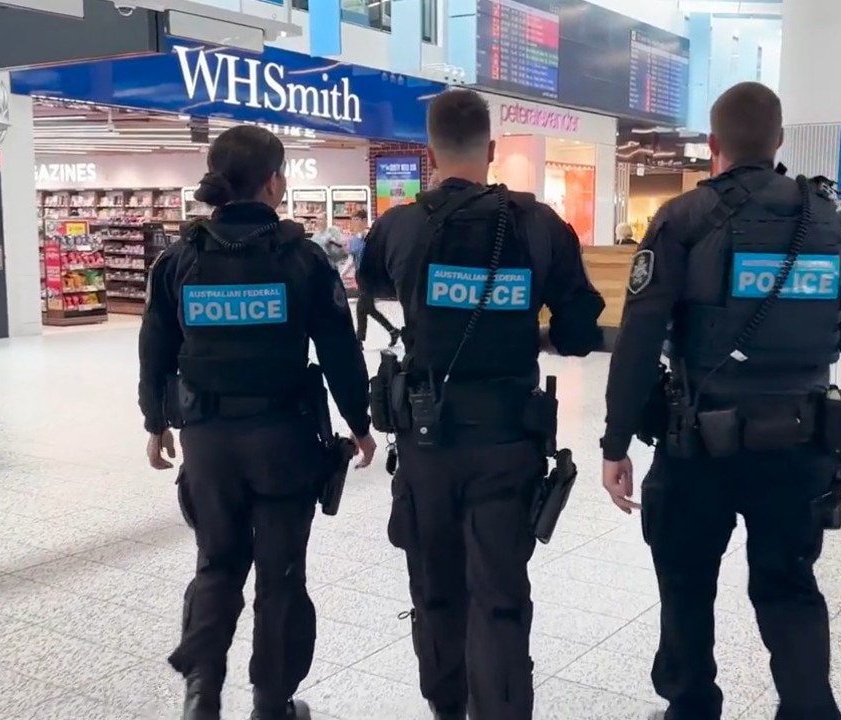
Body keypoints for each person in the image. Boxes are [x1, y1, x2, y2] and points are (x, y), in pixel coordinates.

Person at [599, 81, 841, 720]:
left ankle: (691, 707)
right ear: (779, 140)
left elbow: (638, 342)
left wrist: (616, 443)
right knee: (789, 586)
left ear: (714, 145)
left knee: (687, 586)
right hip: (803, 441)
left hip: (699, 446)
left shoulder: (684, 218)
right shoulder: (835, 221)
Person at [356, 88, 604, 720]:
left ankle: (445, 708)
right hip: (507, 443)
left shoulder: (400, 225)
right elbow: (579, 331)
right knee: (499, 596)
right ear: (492, 150)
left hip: (425, 441)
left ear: (428, 153)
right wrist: (533, 330)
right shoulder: (541, 224)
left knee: (435, 591)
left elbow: (376, 285)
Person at [138, 125, 377, 720]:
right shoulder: (302, 259)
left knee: (216, 564)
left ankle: (201, 697)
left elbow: (155, 348)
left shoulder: (180, 258)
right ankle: (272, 705)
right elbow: (340, 349)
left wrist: (155, 421)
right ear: (274, 182)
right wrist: (359, 422)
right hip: (285, 440)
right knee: (281, 574)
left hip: (208, 441)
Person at [347, 208, 400, 346]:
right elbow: (353, 259)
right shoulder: (354, 238)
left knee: (363, 307)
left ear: (364, 221)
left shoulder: (368, 236)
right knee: (367, 308)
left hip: (368, 275)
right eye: (354, 219)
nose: (355, 222)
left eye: (358, 220)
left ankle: (360, 340)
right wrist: (343, 273)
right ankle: (392, 330)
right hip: (360, 274)